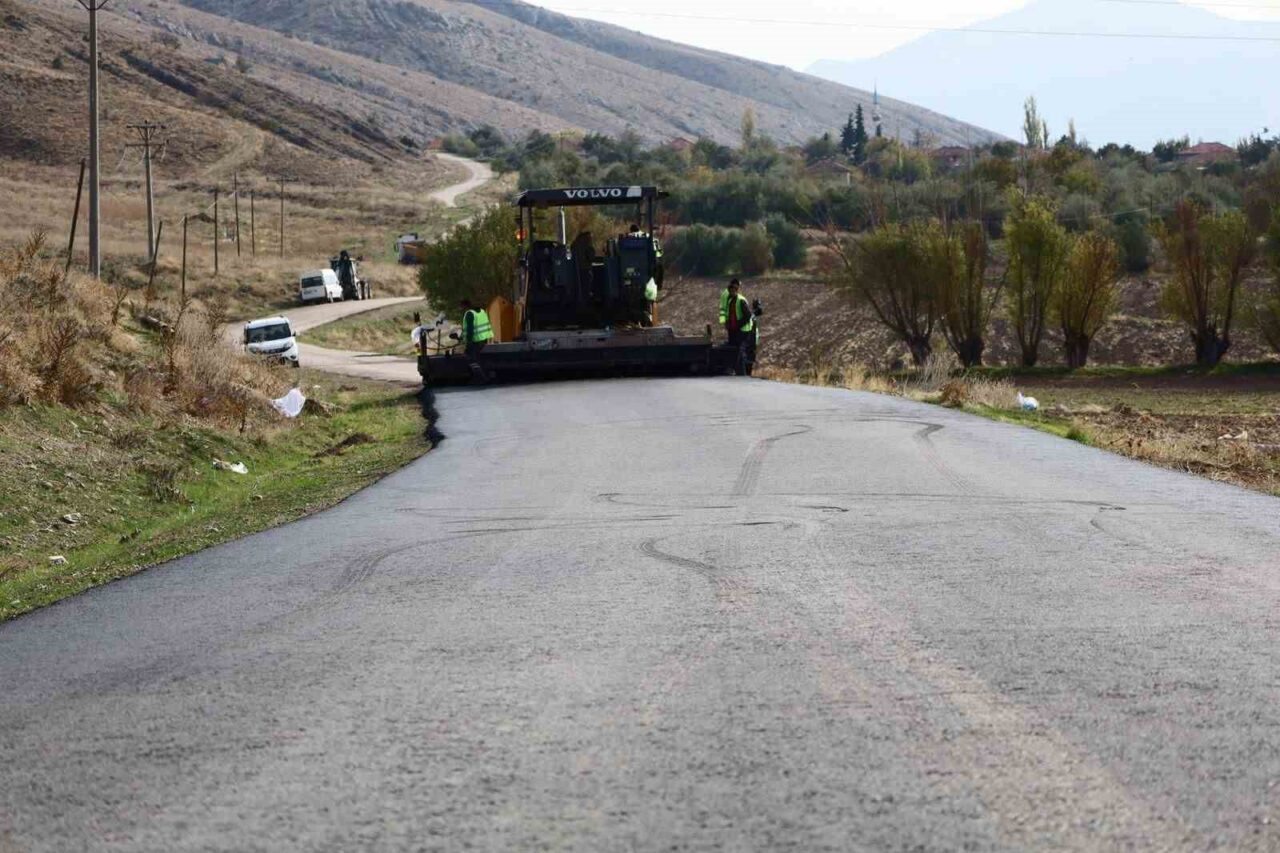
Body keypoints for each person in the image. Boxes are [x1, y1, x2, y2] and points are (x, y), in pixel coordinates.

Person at [724, 279, 756, 376]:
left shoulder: (741, 300)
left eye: (733, 290)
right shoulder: (730, 300)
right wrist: (728, 324)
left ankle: (742, 375)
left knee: (740, 351)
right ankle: (736, 371)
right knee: (734, 351)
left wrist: (738, 325)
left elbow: (748, 316)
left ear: (736, 290)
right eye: (730, 290)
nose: (731, 291)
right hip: (734, 331)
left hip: (743, 331)